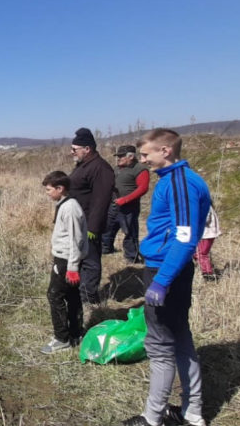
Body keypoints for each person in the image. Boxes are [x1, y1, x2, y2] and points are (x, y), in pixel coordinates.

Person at [122, 129, 211, 426]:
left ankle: (153, 418)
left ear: (165, 151)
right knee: (180, 336)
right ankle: (193, 413)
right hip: (168, 268)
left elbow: (185, 239)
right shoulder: (176, 180)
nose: (142, 160)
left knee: (160, 346)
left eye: (146, 154)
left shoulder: (180, 183)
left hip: (165, 270)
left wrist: (162, 281)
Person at [41, 171, 88, 354]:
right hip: (66, 260)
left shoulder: (70, 208)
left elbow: (76, 240)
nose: (47, 193)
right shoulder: (66, 204)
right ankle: (76, 332)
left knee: (55, 295)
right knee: (71, 296)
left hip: (66, 260)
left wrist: (72, 267)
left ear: (60, 189)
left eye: (49, 189)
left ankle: (62, 339)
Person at [67, 127, 115, 308]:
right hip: (79, 221)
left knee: (91, 261)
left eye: (74, 149)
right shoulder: (85, 165)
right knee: (80, 258)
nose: (71, 152)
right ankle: (79, 291)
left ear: (87, 149)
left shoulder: (100, 168)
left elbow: (101, 200)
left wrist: (93, 228)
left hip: (89, 223)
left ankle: (89, 298)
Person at [102, 145, 150, 264]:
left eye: (121, 156)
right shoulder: (117, 168)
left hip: (129, 207)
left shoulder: (140, 169)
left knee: (130, 231)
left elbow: (143, 188)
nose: (119, 159)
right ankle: (106, 249)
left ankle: (131, 256)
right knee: (108, 228)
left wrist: (125, 199)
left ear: (131, 156)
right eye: (118, 156)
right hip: (113, 204)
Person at [195, 205, 221, 278]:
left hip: (207, 234)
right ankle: (206, 271)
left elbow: (206, 219)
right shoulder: (206, 206)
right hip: (207, 233)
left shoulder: (204, 206)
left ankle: (207, 273)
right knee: (198, 253)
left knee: (201, 254)